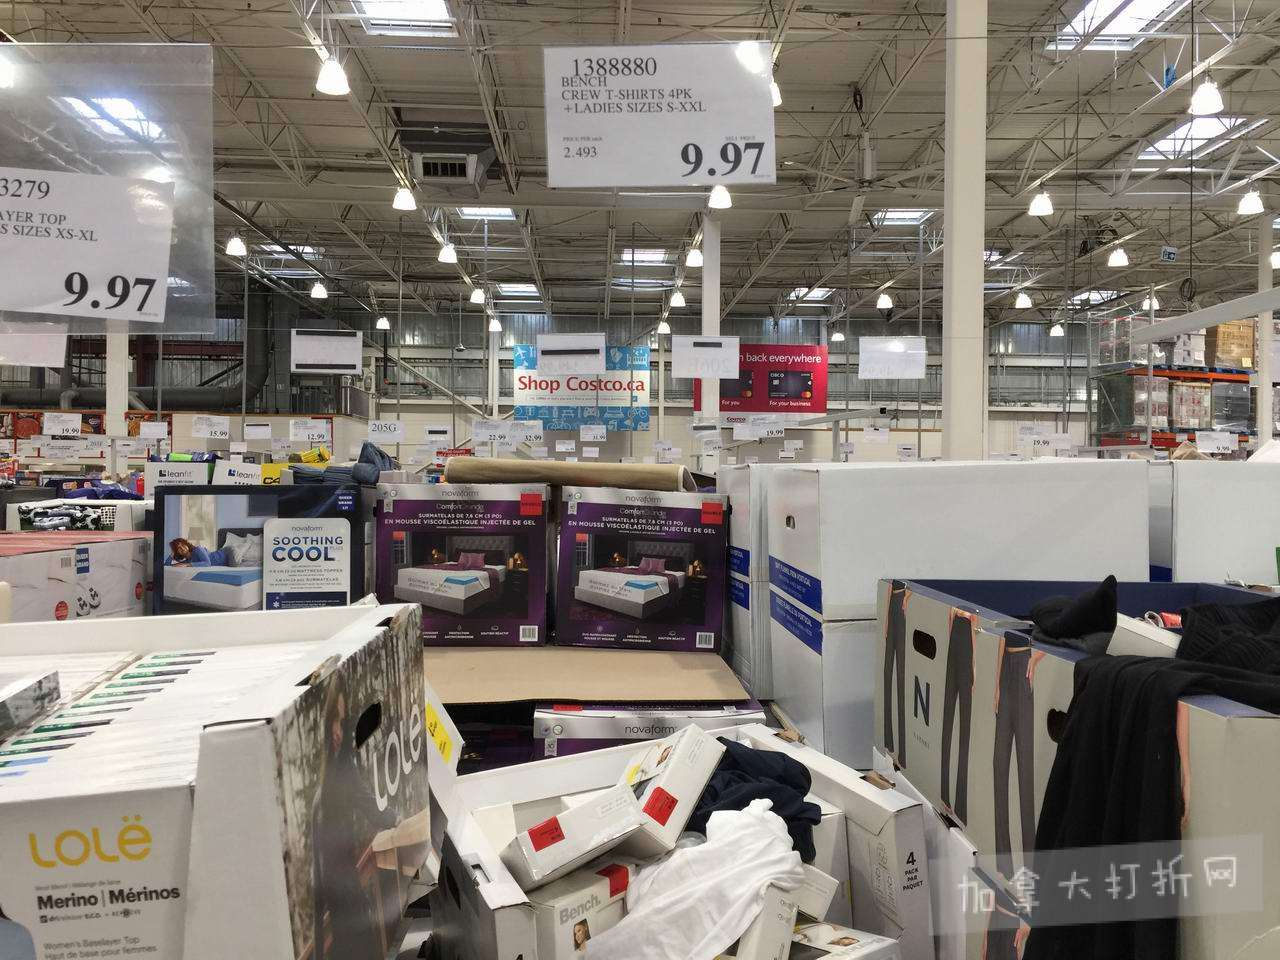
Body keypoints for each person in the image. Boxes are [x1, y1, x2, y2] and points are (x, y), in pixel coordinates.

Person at [310, 679, 396, 960]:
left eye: (342, 720)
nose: (337, 730)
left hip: (336, 888)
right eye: (334, 719)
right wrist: (396, 818)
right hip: (337, 889)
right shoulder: (336, 769)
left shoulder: (335, 768)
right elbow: (373, 809)